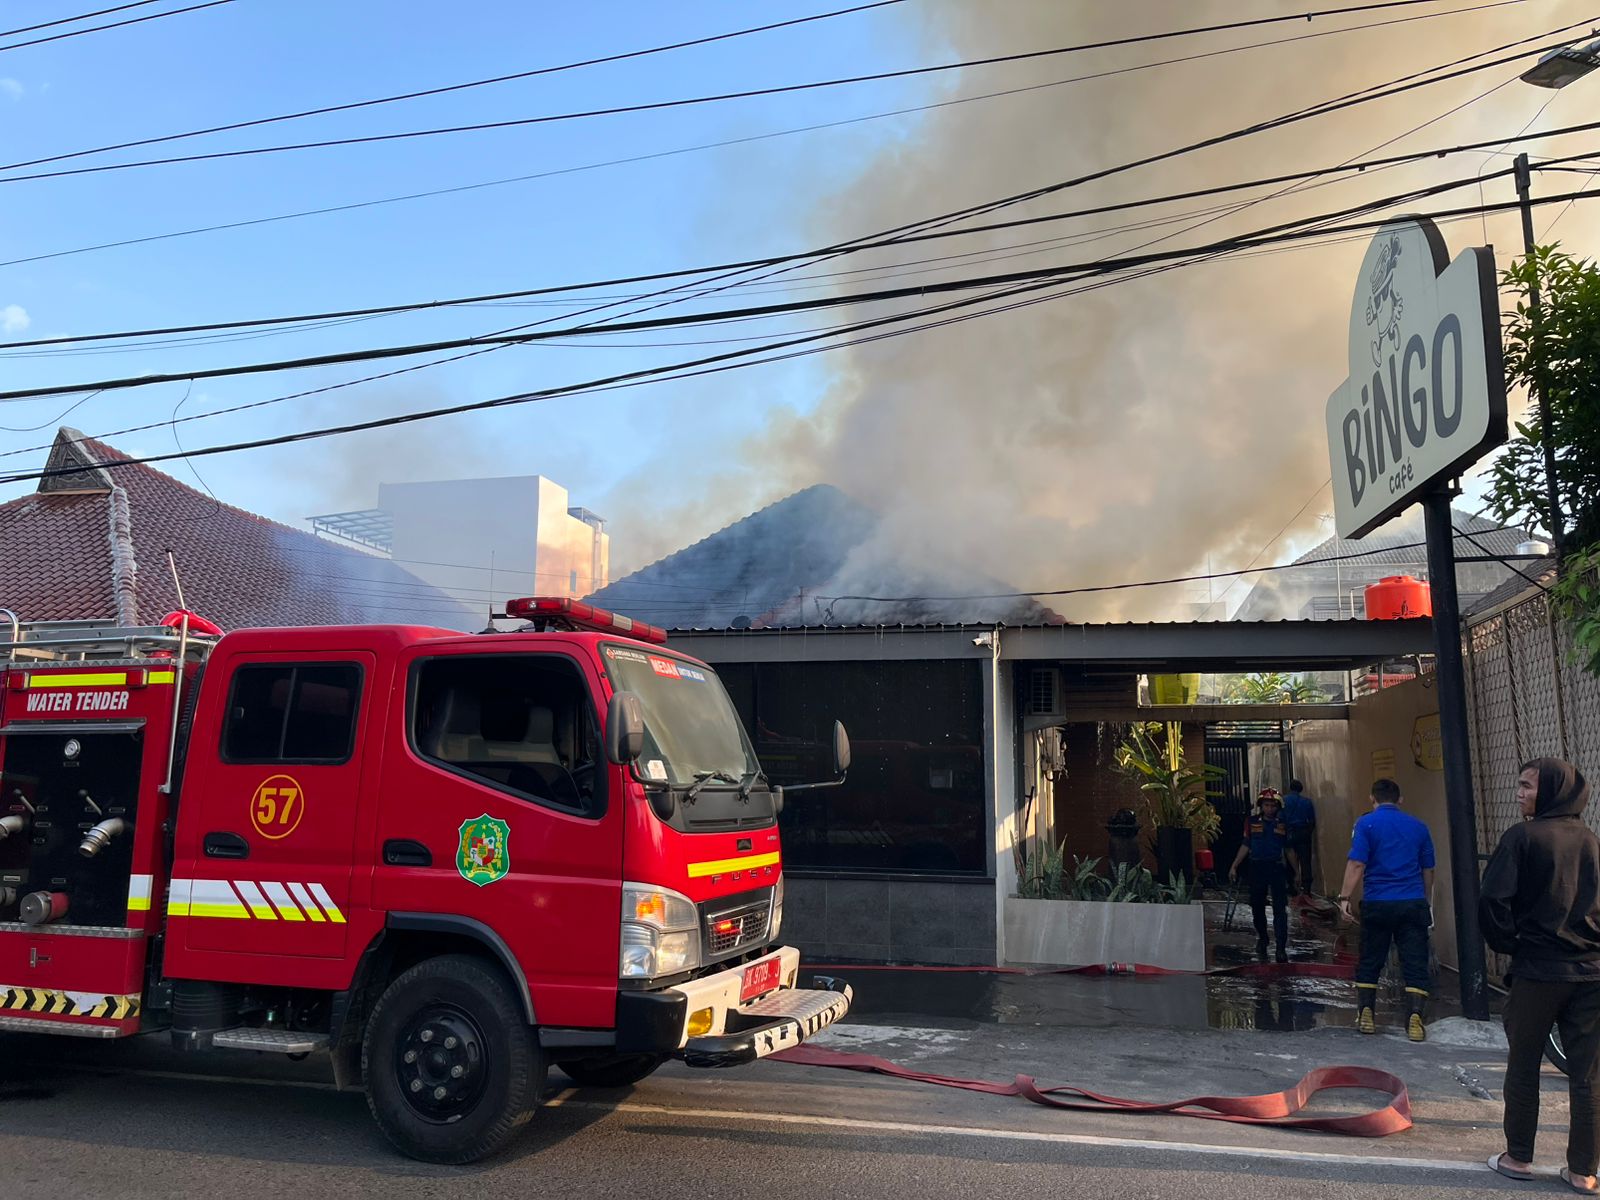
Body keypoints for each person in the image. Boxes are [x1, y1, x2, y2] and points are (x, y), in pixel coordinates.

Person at [1480, 759, 1600, 1193]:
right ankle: (1584, 1171)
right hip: (1591, 974)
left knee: (1524, 1063)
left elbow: (1492, 901)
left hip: (1537, 971)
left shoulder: (1522, 838)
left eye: (1527, 786)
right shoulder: (1591, 842)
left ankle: (1518, 1157)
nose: (1519, 793)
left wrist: (1512, 944)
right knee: (1587, 1074)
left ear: (1550, 791)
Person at [1336, 778, 1435, 1041]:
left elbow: (1357, 864)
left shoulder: (1366, 824)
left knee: (1371, 958)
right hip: (1411, 903)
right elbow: (1428, 869)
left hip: (1378, 903)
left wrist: (1344, 897)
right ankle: (1414, 1019)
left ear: (1372, 798)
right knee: (1414, 961)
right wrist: (1425, 900)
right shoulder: (1419, 827)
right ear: (1400, 800)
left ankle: (1366, 1014)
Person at [1230, 787, 1291, 963]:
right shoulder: (1251, 822)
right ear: (1261, 806)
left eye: (1273, 805)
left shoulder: (1283, 823)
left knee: (1280, 909)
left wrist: (1297, 872)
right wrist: (1235, 865)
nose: (1269, 808)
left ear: (1277, 806)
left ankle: (1280, 948)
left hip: (1277, 868)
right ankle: (1263, 937)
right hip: (1257, 867)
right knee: (1257, 906)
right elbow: (1246, 845)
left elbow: (1288, 849)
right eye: (1266, 805)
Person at [1282, 778, 1317, 896]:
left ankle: (1291, 886)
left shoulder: (1284, 801)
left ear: (1290, 788)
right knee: (1305, 860)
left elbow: (1280, 817)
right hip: (1303, 832)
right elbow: (1312, 820)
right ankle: (1306, 888)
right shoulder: (1307, 802)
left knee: (1290, 859)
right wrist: (1308, 832)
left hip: (1289, 831)